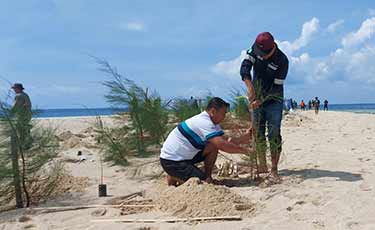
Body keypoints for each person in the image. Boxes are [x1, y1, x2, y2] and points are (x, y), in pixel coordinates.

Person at [160, 97, 252, 186]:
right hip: (172, 161)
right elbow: (222, 145)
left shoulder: (213, 123)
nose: (224, 117)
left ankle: (206, 176)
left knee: (212, 146)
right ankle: (174, 174)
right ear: (213, 111)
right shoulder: (204, 122)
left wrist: (244, 138)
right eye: (223, 113)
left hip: (185, 157)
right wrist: (246, 151)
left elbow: (225, 140)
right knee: (203, 183)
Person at [240, 32, 289, 179]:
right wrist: (250, 88)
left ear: (272, 47)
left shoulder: (282, 60)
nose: (261, 56)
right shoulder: (254, 50)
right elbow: (244, 68)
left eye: (264, 54)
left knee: (274, 134)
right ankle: (262, 166)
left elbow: (276, 88)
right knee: (258, 133)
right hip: (256, 98)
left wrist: (260, 100)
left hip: (274, 100)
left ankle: (274, 169)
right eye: (259, 53)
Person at [11, 83, 32, 149]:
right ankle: (27, 143)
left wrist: (9, 113)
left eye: (14, 88)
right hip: (27, 115)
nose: (14, 90)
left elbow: (15, 107)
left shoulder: (18, 96)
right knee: (25, 129)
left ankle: (24, 145)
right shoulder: (25, 95)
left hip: (22, 115)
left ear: (18, 89)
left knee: (21, 130)